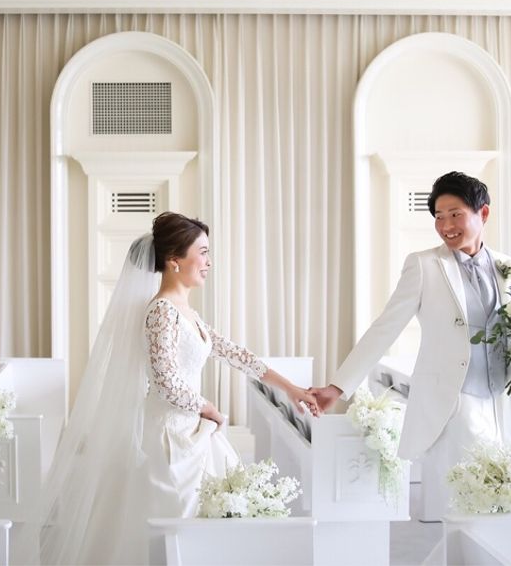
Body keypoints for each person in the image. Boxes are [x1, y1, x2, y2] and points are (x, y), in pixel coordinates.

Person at [37, 211, 319, 565]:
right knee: (176, 524)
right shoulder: (161, 312)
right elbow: (166, 381)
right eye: (203, 252)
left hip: (195, 429)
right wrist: (208, 408)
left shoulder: (186, 312)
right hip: (170, 436)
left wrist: (292, 389)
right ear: (174, 260)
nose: (209, 262)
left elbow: (234, 353)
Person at [311, 171, 511, 521]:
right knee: (463, 501)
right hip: (454, 403)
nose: (446, 226)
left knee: (502, 498)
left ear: (483, 213)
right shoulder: (424, 265)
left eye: (455, 214)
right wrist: (338, 387)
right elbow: (385, 328)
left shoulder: (508, 268)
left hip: (500, 401)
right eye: (439, 217)